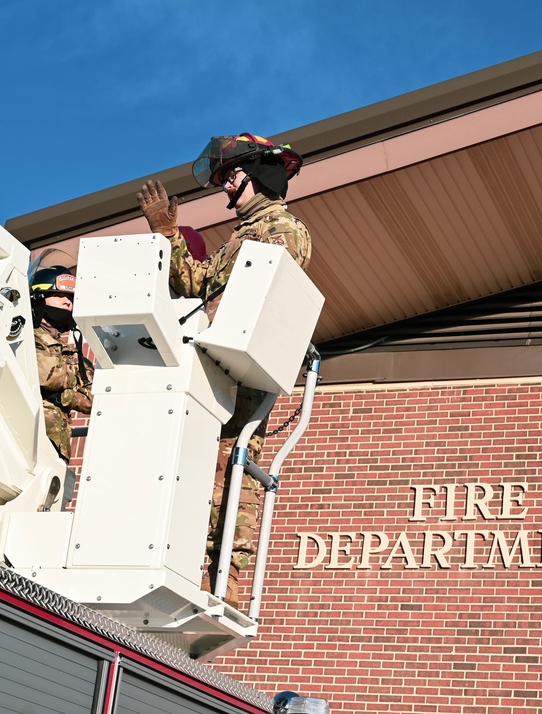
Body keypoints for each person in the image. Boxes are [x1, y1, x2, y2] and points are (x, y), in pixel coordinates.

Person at [136, 133, 312, 607]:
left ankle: (223, 591)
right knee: (204, 483)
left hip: (241, 383)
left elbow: (260, 306)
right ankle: (197, 578)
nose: (226, 189)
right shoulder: (241, 237)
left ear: (259, 176)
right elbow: (196, 283)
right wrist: (168, 234)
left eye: (232, 177)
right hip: (216, 373)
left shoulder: (283, 231)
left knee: (230, 482)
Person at [31, 265, 94, 511]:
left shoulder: (72, 351)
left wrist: (62, 395)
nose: (67, 303)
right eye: (61, 296)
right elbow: (45, 374)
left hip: (58, 446)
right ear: (39, 297)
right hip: (32, 435)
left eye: (71, 299)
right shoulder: (25, 334)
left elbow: (90, 398)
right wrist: (70, 390)